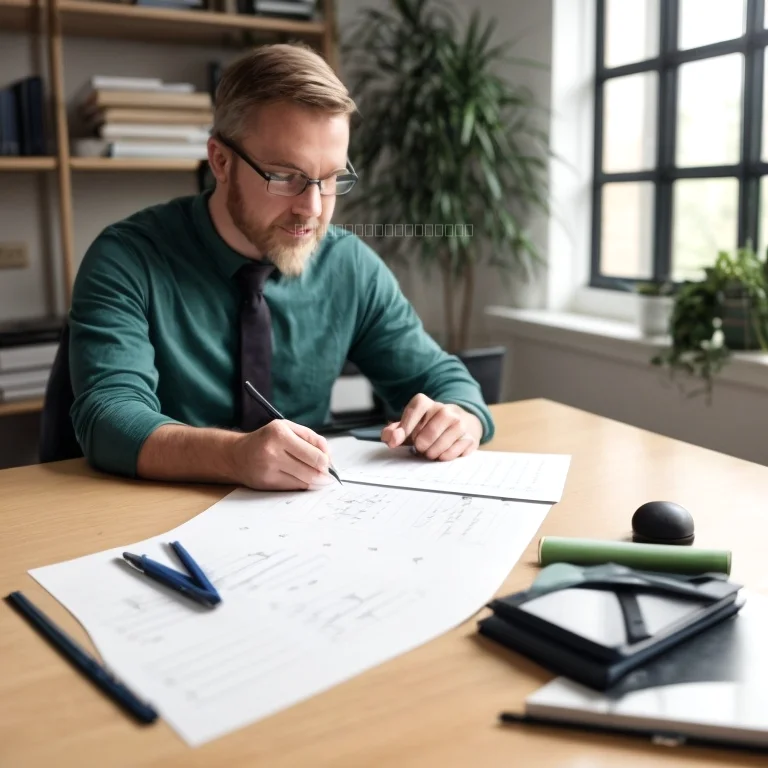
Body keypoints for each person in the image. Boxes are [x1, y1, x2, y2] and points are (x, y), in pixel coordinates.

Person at [68, 43, 495, 492]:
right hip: (156, 514)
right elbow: (108, 417)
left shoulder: (347, 264)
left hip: (308, 519)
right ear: (221, 161)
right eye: (285, 176)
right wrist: (233, 457)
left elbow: (446, 381)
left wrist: (458, 417)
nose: (312, 208)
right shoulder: (127, 258)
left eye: (330, 179)